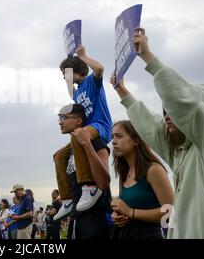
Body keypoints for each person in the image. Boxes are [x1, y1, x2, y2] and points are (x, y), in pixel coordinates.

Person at [111, 27, 204, 239]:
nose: (167, 115)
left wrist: (148, 58)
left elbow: (186, 107)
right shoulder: (181, 153)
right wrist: (123, 93)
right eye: (165, 110)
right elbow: (152, 126)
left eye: (173, 110)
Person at [55, 45, 113, 215]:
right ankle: (67, 199)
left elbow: (100, 69)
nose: (63, 76)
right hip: (87, 129)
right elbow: (69, 90)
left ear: (75, 70)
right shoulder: (78, 92)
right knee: (59, 156)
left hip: (100, 126)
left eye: (65, 72)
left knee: (78, 134)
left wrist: (83, 56)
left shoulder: (91, 82)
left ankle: (89, 186)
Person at [109, 120, 174, 239]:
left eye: (119, 136)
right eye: (112, 137)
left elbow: (170, 211)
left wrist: (131, 212)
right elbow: (127, 207)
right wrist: (117, 215)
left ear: (135, 140)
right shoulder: (124, 172)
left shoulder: (153, 169)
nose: (113, 141)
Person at [55, 104, 111, 239]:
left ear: (78, 121)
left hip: (96, 217)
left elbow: (104, 183)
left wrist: (87, 145)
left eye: (64, 118)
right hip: (77, 216)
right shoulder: (67, 153)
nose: (60, 122)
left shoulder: (96, 142)